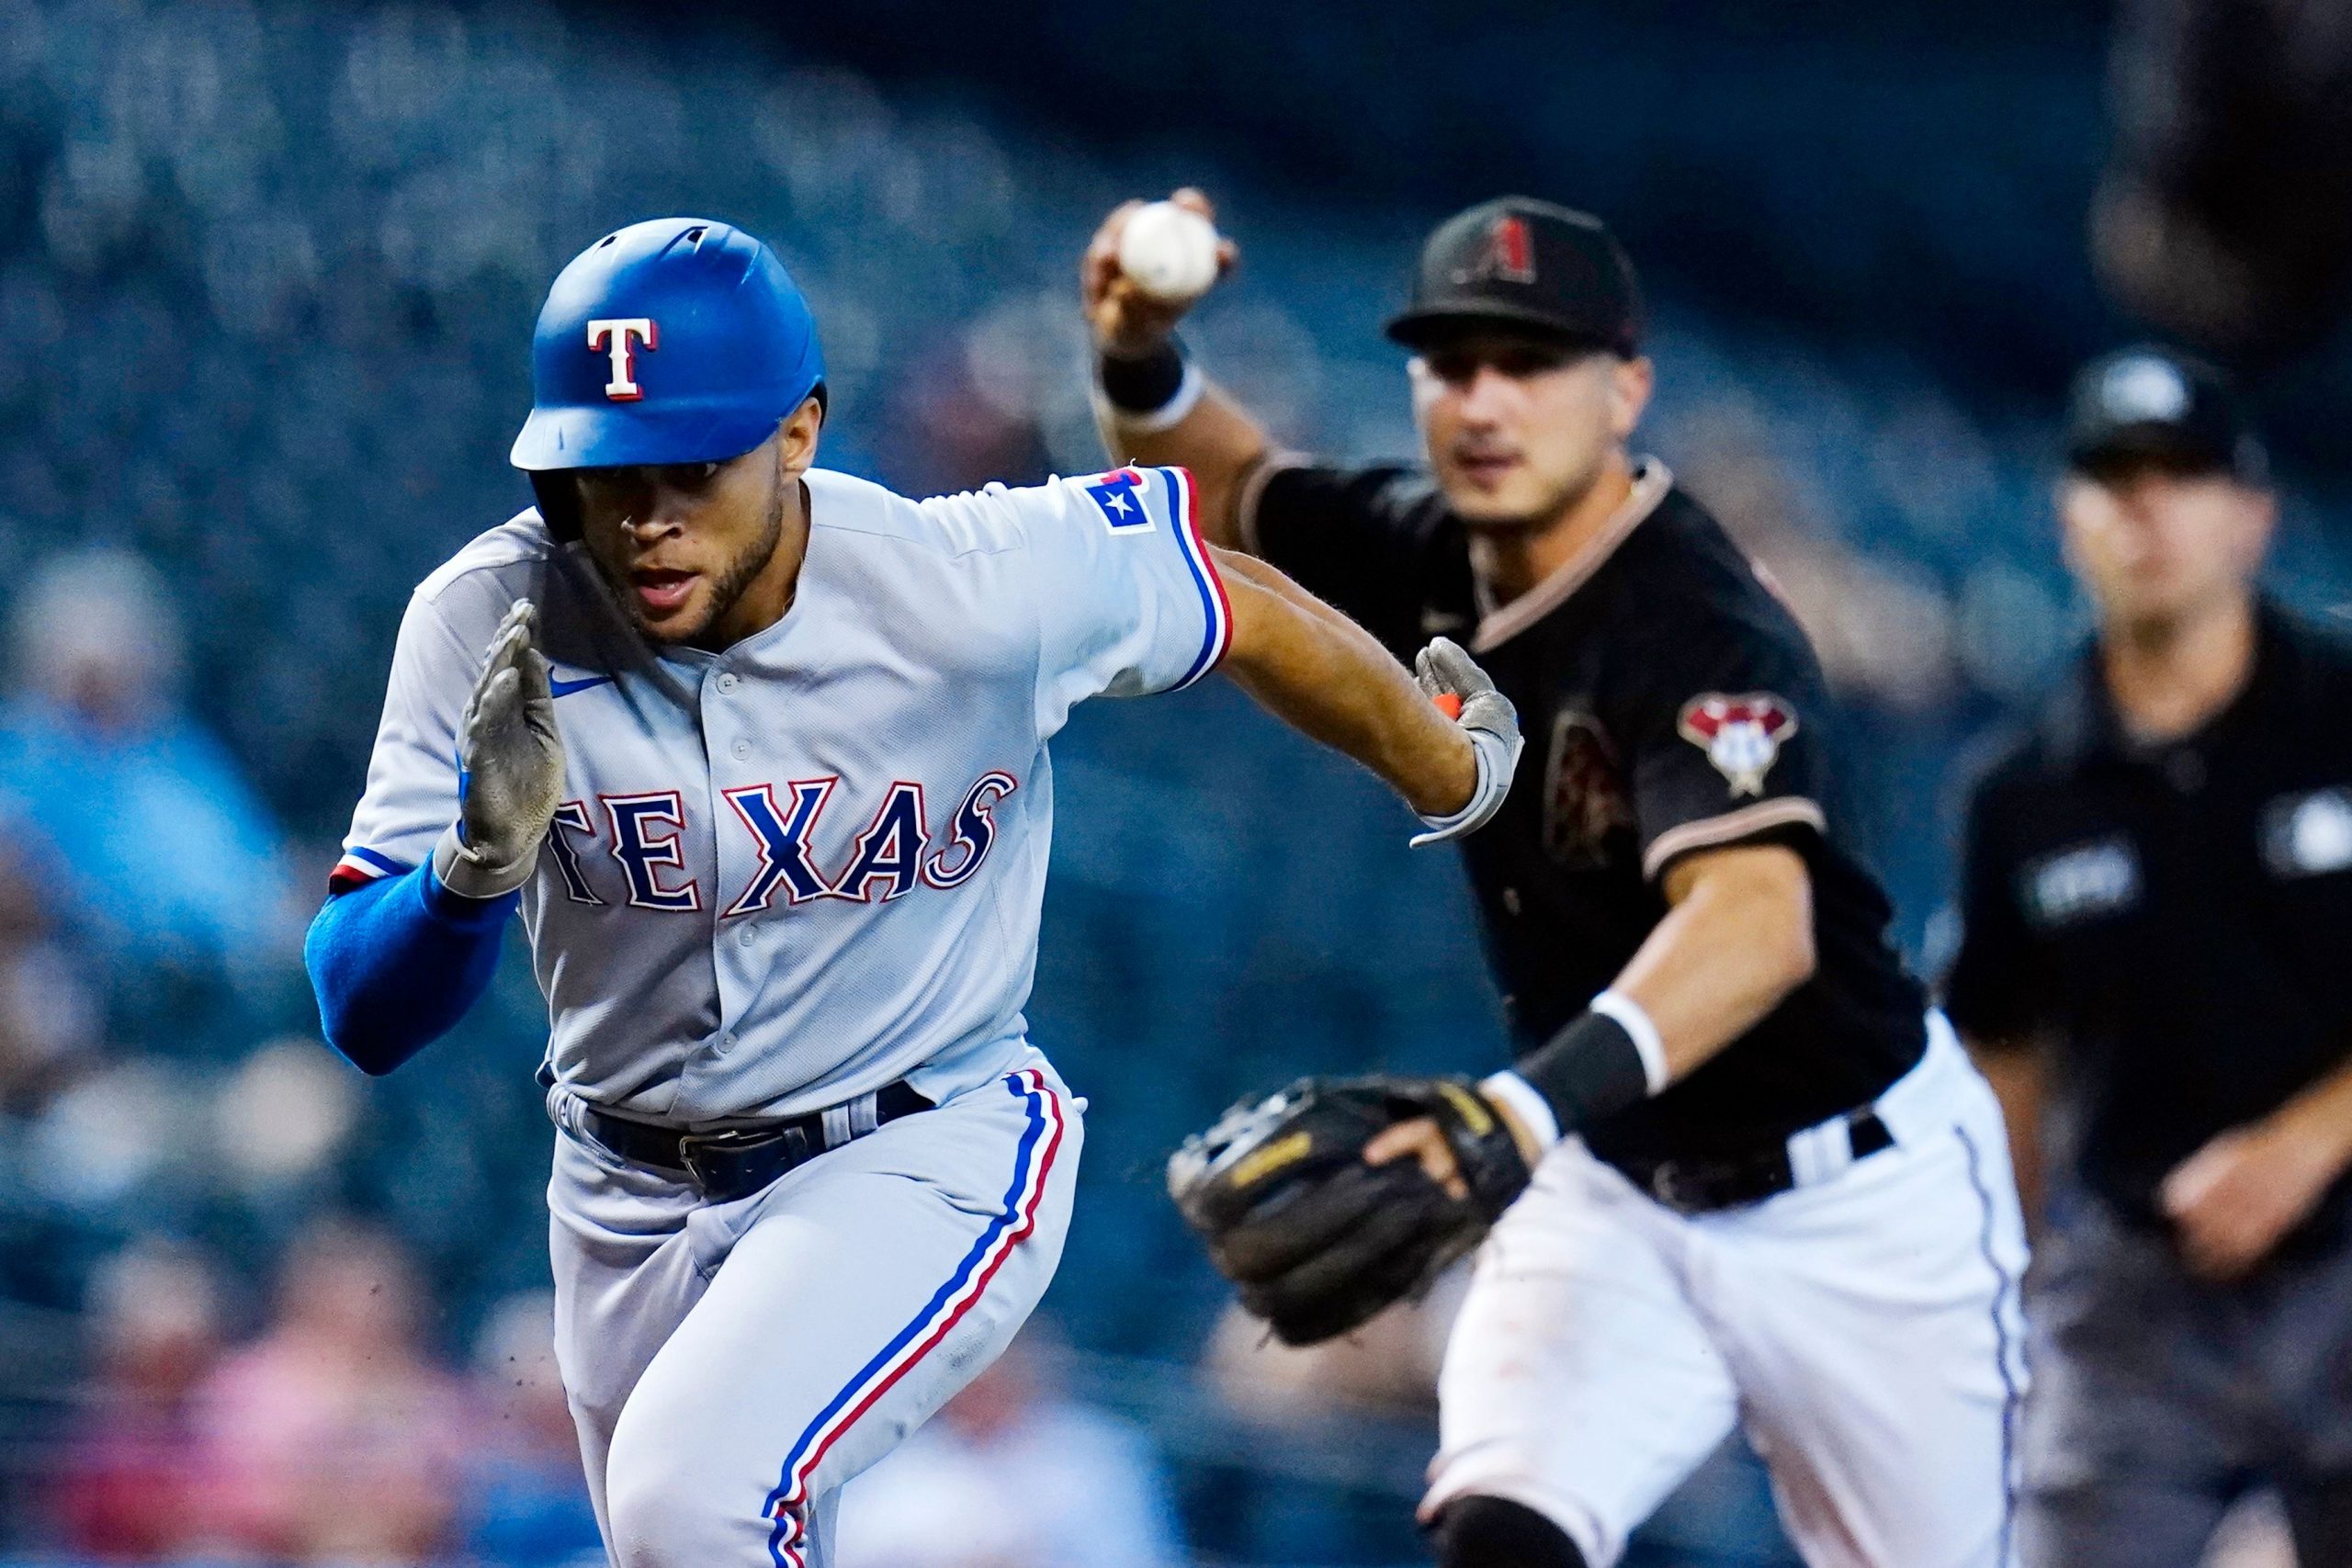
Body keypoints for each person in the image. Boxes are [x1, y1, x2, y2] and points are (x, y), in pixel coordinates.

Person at [304, 216, 1521, 1568]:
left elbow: (1230, 596)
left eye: (692, 467)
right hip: (621, 1187)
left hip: (918, 1141)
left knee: (682, 1501)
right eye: (604, 475)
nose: (645, 517)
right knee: (685, 1533)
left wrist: (1450, 768)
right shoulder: (488, 619)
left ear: (800, 435)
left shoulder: (968, 580)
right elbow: (364, 1014)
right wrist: (469, 874)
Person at [1083, 191, 2027, 1568]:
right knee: (1501, 1530)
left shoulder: (1700, 622)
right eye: (1453, 363)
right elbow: (1215, 491)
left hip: (1859, 1207)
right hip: (1621, 1184)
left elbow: (1754, 928)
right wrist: (1139, 355)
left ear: (1625, 389)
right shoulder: (1429, 551)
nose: (1486, 399)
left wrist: (1521, 1115)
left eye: (1532, 363)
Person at [1944, 346, 2352, 1566]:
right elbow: (2001, 1057)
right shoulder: (2023, 792)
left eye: (2182, 473)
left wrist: (2308, 1140)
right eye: (2114, 476)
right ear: (2069, 519)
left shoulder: (2343, 714)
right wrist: (1998, 1283)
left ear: (2252, 516)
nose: (2147, 506)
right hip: (2140, 1289)